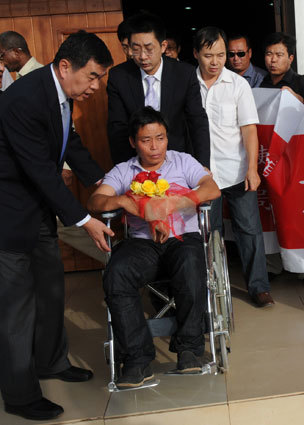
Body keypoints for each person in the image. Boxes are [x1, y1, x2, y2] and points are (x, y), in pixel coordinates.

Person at [0, 30, 114, 421]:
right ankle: (18, 393)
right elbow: (40, 171)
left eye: (100, 79)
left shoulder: (61, 96)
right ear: (66, 67)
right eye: (94, 77)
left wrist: (106, 186)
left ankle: (51, 362)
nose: (96, 87)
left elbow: (71, 148)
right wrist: (85, 220)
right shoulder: (24, 99)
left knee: (51, 292)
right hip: (9, 218)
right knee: (16, 309)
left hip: (39, 216)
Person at [88, 106, 220, 389]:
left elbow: (212, 189)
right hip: (142, 245)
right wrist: (124, 201)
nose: (154, 146)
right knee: (117, 273)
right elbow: (95, 202)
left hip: (182, 239)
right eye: (146, 140)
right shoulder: (124, 170)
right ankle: (137, 359)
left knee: (190, 265)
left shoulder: (183, 162)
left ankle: (189, 348)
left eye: (160, 138)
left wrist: (176, 201)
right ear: (133, 142)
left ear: (167, 137)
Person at [193, 27, 274, 307]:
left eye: (220, 55)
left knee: (249, 229)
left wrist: (252, 169)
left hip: (237, 171)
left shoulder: (238, 85)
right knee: (209, 234)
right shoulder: (187, 85)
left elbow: (249, 130)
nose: (215, 61)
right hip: (202, 176)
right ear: (196, 54)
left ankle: (259, 287)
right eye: (208, 55)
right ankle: (212, 288)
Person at [107, 12, 210, 167]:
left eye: (149, 49)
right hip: (136, 162)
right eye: (136, 49)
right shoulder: (119, 77)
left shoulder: (184, 74)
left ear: (163, 46)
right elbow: (118, 128)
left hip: (178, 160)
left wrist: (203, 166)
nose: (142, 56)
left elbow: (197, 121)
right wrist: (124, 169)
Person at [260, 32, 304, 105]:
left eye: (279, 55)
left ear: (290, 58)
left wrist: (299, 99)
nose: (273, 60)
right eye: (269, 54)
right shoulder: (264, 82)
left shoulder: (301, 82)